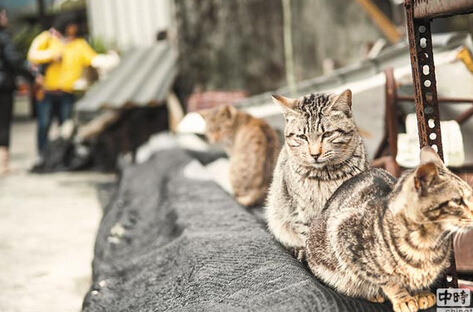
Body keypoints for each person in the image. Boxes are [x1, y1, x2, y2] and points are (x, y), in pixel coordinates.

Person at [27, 12, 98, 156]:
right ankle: (42, 154)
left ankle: (61, 154)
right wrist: (52, 55)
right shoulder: (48, 38)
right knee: (44, 125)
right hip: (47, 90)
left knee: (65, 126)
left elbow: (92, 59)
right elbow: (32, 55)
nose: (73, 29)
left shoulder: (78, 44)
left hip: (67, 91)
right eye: (71, 26)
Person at [0, 6, 35, 174]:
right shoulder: (3, 36)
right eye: (3, 14)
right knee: (3, 123)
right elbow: (13, 59)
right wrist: (33, 76)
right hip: (2, 86)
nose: (5, 18)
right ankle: (2, 164)